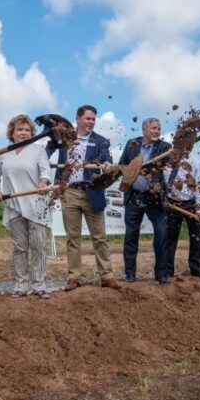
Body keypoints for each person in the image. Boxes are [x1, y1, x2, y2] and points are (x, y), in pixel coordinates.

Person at [47, 105, 119, 291]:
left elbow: (105, 158)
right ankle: (73, 277)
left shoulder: (101, 142)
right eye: (88, 118)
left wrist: (107, 165)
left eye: (93, 119)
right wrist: (56, 183)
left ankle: (107, 276)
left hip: (92, 192)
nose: (91, 122)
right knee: (73, 238)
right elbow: (58, 161)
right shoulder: (66, 140)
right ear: (78, 119)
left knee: (100, 237)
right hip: (69, 192)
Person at [0, 114, 52, 298]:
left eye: (27, 130)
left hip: (36, 205)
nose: (24, 133)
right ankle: (21, 285)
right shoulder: (4, 153)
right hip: (13, 206)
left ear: (32, 133)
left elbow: (45, 170)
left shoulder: (38, 150)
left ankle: (39, 285)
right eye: (20, 129)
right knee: (20, 247)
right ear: (12, 132)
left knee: (38, 246)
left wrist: (43, 182)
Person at [118, 117, 172, 283]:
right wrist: (128, 170)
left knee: (162, 234)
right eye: (153, 128)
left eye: (158, 128)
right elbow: (122, 164)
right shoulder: (131, 144)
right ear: (144, 130)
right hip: (135, 196)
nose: (156, 131)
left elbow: (168, 163)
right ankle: (130, 274)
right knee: (131, 235)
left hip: (154, 197)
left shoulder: (165, 147)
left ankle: (162, 274)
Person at [162, 149, 200, 278]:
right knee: (169, 238)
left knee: (197, 236)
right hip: (171, 203)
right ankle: (167, 270)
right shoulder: (165, 158)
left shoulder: (195, 161)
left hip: (191, 203)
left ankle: (197, 268)